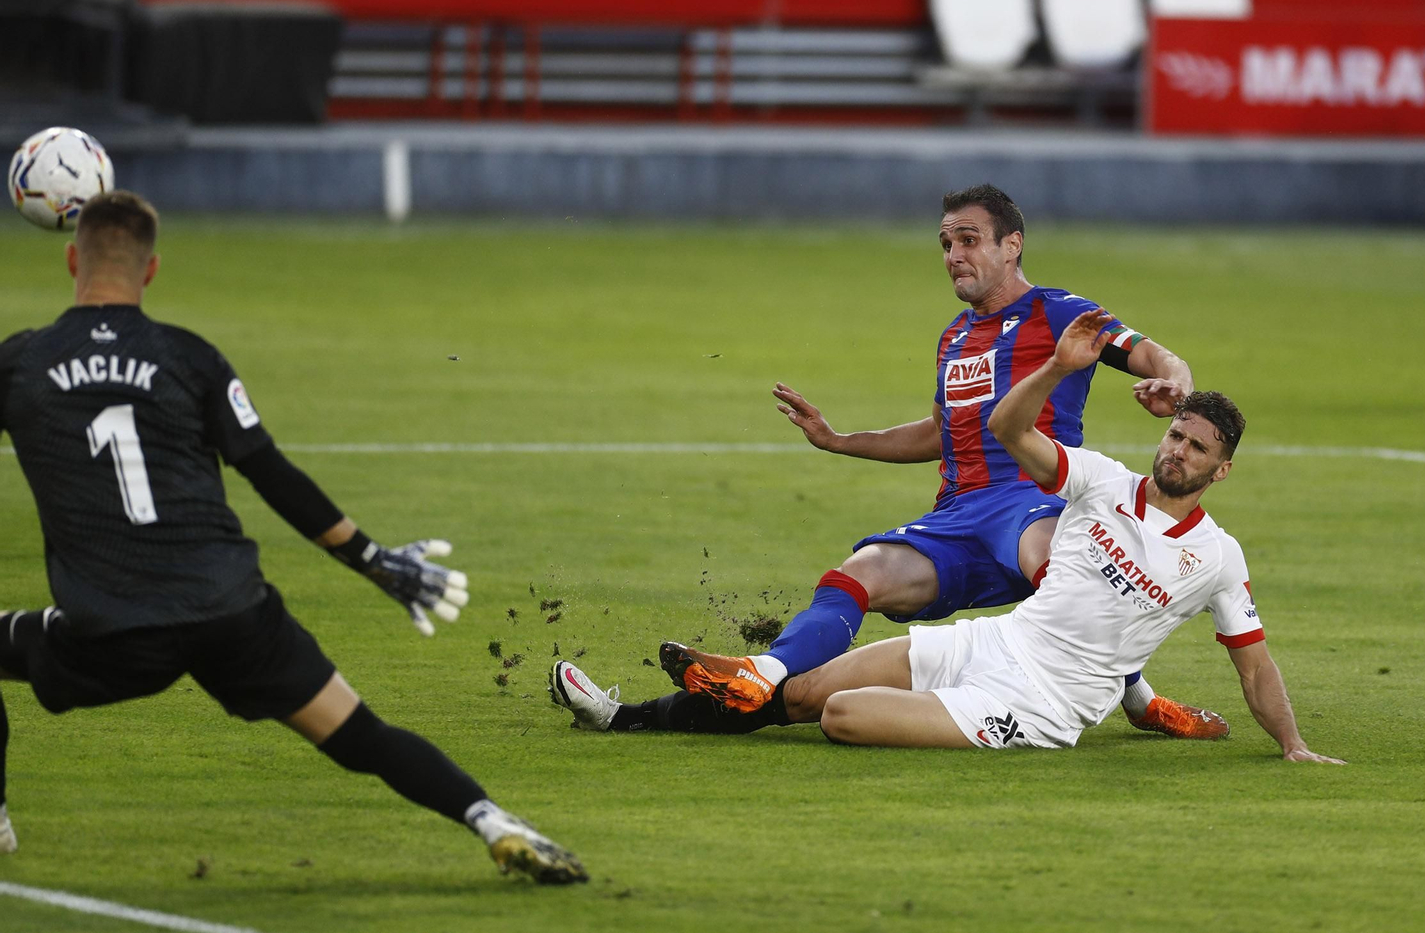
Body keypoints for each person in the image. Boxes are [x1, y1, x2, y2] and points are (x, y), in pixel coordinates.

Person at [0, 191, 586, 882]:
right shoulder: (190, 358)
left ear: (72, 256)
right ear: (151, 271)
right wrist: (374, 562)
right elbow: (271, 473)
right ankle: (493, 822)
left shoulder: (21, 364)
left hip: (113, 629)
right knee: (362, 736)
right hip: (234, 612)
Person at [553, 308, 1343, 763]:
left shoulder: (1217, 560)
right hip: (990, 646)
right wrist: (1056, 370)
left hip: (1041, 706)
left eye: (1196, 448)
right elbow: (1007, 425)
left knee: (843, 716)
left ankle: (1136, 698)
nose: (1176, 451)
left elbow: (1255, 666)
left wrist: (1293, 746)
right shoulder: (1100, 479)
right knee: (802, 692)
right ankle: (622, 718)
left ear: (1220, 470)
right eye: (1176, 437)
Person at [643, 184, 1224, 738]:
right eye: (946, 244)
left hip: (1033, 498)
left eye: (968, 240)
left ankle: (1139, 699)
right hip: (958, 515)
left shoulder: (1060, 313)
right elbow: (942, 434)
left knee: (1060, 565)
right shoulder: (954, 339)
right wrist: (840, 439)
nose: (953, 255)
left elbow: (1153, 354)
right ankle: (761, 675)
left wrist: (1174, 385)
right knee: (860, 572)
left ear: (1011, 245)